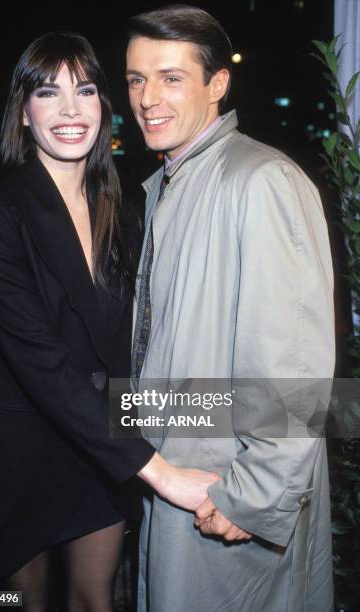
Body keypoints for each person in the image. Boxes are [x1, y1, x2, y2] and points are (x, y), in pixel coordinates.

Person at [0, 31, 219, 611]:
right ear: (23, 113)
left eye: (87, 90)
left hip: (99, 452)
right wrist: (162, 472)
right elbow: (41, 363)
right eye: (48, 93)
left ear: (104, 106)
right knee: (15, 602)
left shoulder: (126, 214)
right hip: (16, 453)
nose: (71, 110)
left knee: (96, 599)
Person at [126, 5, 335, 612]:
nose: (147, 98)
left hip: (225, 492)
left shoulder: (260, 179)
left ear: (218, 84)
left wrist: (255, 496)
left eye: (171, 78)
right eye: (137, 79)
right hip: (185, 476)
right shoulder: (172, 183)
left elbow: (291, 358)